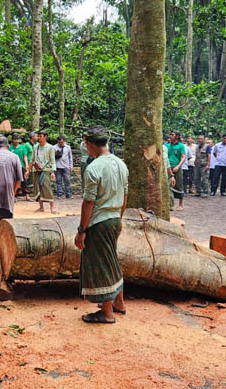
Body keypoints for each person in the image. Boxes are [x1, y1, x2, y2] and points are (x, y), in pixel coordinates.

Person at [75, 125, 129, 324]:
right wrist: (120, 218)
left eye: (85, 144)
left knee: (100, 264)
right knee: (112, 259)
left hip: (99, 222)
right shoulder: (120, 164)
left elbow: (88, 201)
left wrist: (82, 230)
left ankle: (106, 313)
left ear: (90, 144)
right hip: (114, 218)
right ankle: (119, 303)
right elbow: (125, 195)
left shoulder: (94, 168)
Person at [27, 130, 57, 213]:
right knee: (37, 189)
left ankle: (52, 207)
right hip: (36, 170)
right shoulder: (35, 147)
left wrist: (53, 171)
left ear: (45, 137)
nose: (39, 138)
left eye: (41, 136)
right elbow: (32, 160)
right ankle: (41, 207)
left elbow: (53, 161)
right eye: (38, 136)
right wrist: (28, 171)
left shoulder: (50, 147)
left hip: (46, 170)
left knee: (47, 188)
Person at [166, 131, 186, 211]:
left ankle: (181, 204)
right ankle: (170, 204)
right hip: (168, 167)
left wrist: (178, 166)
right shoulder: (167, 145)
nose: (170, 136)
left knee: (179, 185)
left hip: (177, 167)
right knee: (168, 185)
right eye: (170, 134)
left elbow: (183, 157)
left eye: (172, 135)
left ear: (177, 136)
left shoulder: (181, 146)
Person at [10, 134, 30, 200]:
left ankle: (27, 196)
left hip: (21, 166)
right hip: (12, 167)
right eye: (15, 139)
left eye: (17, 139)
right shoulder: (10, 148)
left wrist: (26, 165)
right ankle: (14, 195)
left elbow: (25, 157)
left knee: (24, 181)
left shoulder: (22, 147)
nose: (16, 141)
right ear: (12, 140)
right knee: (14, 181)